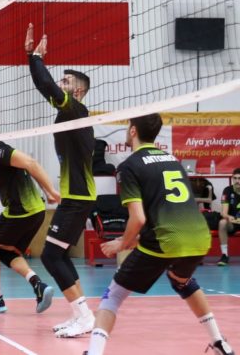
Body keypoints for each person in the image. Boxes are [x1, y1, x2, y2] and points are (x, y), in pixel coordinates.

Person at [83, 114, 234, 355]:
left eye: (128, 126)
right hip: (199, 237)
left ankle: (93, 352)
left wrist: (122, 243)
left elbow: (138, 218)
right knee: (181, 281)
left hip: (166, 240)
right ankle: (220, 343)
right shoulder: (173, 160)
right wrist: (134, 240)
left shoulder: (129, 166)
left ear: (133, 131)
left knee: (113, 295)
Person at [25, 23, 97, 338]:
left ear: (77, 91)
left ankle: (84, 316)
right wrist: (32, 57)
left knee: (51, 256)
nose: (60, 83)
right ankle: (82, 314)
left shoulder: (75, 109)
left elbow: (46, 87)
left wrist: (35, 58)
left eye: (66, 81)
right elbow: (47, 87)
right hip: (76, 195)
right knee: (59, 255)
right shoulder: (70, 112)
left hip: (78, 197)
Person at [0, 112, 61, 315]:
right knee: (7, 252)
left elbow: (31, 163)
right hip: (35, 212)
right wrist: (46, 193)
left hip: (21, 212)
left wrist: (51, 191)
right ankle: (38, 285)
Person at [217, 168, 240, 266]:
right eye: (235, 178)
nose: (237, 181)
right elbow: (224, 213)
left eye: (239, 178)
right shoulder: (227, 190)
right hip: (233, 223)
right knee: (222, 222)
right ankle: (224, 255)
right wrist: (228, 217)